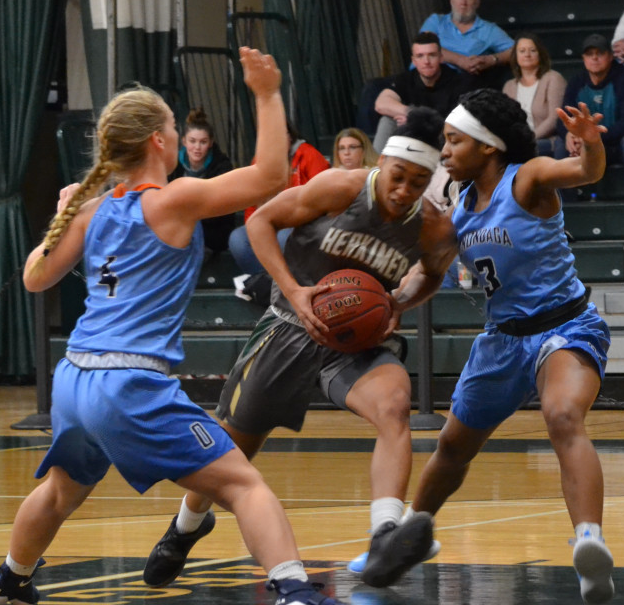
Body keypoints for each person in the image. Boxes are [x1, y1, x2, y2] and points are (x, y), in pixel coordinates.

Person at [0, 49, 344, 605]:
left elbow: (34, 277)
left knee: (60, 491)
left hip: (74, 381)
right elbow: (270, 176)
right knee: (243, 485)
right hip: (130, 383)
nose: (177, 135)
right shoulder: (173, 200)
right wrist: (267, 93)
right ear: (157, 141)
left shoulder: (93, 211)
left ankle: (8, 580)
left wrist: (64, 212)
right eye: (173, 126)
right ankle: (294, 592)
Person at [141, 108, 458, 591]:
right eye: (398, 177)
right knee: (232, 452)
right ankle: (186, 526)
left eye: (418, 183)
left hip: (357, 342)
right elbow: (261, 223)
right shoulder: (340, 187)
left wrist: (399, 301)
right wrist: (292, 290)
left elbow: (431, 274)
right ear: (384, 163)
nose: (404, 190)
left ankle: (384, 536)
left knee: (395, 406)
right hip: (291, 326)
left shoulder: (432, 227)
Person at [374, 90, 617, 604]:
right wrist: (393, 302)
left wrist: (591, 146)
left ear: (487, 147)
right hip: (502, 340)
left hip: (564, 328)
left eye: (454, 141)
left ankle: (590, 544)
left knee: (562, 416)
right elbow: (429, 273)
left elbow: (584, 172)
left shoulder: (525, 179)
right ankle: (412, 533)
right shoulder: (456, 209)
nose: (444, 152)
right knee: (452, 447)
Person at [562, 33, 624, 202]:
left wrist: (592, 137)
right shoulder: (576, 82)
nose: (595, 58)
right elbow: (563, 116)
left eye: (600, 53)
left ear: (610, 56)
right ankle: (566, 213)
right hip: (595, 144)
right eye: (590, 54)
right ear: (583, 59)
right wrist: (569, 134)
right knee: (562, 145)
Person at [228, 122, 330, 278]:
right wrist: (254, 227)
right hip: (268, 221)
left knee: (284, 238)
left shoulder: (309, 155)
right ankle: (265, 281)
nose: (277, 141)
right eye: (271, 137)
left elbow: (322, 196)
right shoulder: (259, 161)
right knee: (238, 240)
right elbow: (251, 201)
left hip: (300, 222)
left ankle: (287, 282)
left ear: (290, 137)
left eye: (281, 135)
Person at [373, 32, 472, 152]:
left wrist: (419, 120)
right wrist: (412, 114)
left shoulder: (458, 81)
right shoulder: (406, 79)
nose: (426, 61)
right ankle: (375, 167)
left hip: (443, 137)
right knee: (387, 120)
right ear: (413, 61)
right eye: (420, 56)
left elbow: (458, 122)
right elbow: (381, 104)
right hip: (413, 136)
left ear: (441, 57)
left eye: (432, 55)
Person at [419, 0, 515, 89]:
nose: (463, 3)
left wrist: (492, 59)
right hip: (428, 79)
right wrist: (460, 60)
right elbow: (424, 45)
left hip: (464, 83)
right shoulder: (436, 21)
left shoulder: (488, 29)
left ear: (477, 3)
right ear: (451, 1)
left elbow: (515, 50)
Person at [167, 107, 236, 255]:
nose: (197, 148)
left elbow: (221, 209)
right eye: (192, 141)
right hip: (177, 228)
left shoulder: (222, 166)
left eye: (203, 142)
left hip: (212, 232)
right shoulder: (171, 165)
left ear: (210, 143)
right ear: (184, 141)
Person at [502, 33, 567, 156]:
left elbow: (554, 118)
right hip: (517, 143)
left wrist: (528, 139)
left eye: (532, 50)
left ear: (540, 54)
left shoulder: (553, 78)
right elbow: (506, 121)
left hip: (545, 141)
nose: (527, 55)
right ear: (515, 56)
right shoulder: (509, 86)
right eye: (522, 51)